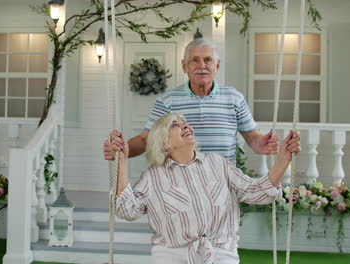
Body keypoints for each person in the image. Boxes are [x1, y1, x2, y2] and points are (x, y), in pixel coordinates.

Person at [112, 113, 301, 264]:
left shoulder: (218, 164)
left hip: (220, 253)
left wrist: (283, 160)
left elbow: (257, 192)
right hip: (171, 256)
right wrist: (122, 162)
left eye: (185, 122)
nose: (185, 125)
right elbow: (126, 210)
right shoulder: (153, 177)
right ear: (164, 143)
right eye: (175, 125)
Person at [104, 38, 279, 163]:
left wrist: (261, 144)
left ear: (217, 66)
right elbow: (145, 140)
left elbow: (253, 137)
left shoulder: (234, 98)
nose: (201, 66)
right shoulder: (168, 101)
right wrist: (122, 150)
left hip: (224, 186)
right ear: (184, 66)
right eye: (194, 60)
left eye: (208, 60)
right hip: (181, 187)